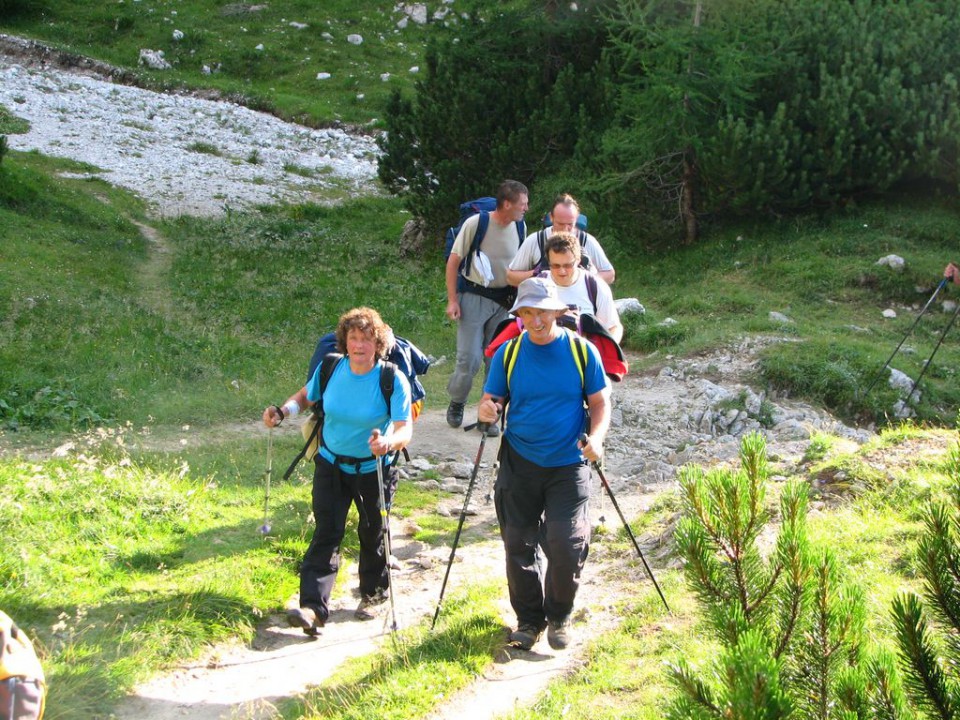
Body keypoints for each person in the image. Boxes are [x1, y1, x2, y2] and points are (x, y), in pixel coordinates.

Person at [477, 276, 611, 651]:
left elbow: (600, 403)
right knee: (517, 543)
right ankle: (529, 621)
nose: (537, 321)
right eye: (529, 313)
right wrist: (488, 408)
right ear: (519, 315)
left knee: (566, 544)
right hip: (519, 459)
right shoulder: (509, 353)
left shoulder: (582, 352)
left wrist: (597, 439)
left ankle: (559, 616)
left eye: (544, 313)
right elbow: (492, 401)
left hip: (569, 462)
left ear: (557, 311)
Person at [263, 307, 412, 634]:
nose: (359, 345)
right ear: (344, 341)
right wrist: (283, 411)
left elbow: (405, 429)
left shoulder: (391, 378)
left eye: (366, 339)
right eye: (353, 338)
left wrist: (387, 442)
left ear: (379, 343)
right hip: (331, 463)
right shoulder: (331, 367)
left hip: (374, 468)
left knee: (373, 531)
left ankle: (373, 595)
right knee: (327, 530)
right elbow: (305, 396)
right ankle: (313, 608)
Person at [445, 179, 529, 432]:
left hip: (505, 302)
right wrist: (453, 300)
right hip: (473, 298)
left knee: (497, 361)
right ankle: (457, 401)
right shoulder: (476, 224)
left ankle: (488, 415)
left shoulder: (521, 227)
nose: (526, 208)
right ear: (507, 204)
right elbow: (453, 263)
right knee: (468, 359)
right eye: (522, 204)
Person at [507, 193, 615, 287]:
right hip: (544, 305)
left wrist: (584, 278)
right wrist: (537, 274)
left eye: (570, 225)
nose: (565, 229)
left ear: (576, 219)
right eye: (560, 224)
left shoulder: (586, 241)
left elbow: (610, 275)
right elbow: (510, 277)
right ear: (551, 218)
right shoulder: (536, 240)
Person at [543, 232, 623, 343]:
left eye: (568, 265)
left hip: (585, 355)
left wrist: (600, 354)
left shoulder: (595, 285)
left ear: (578, 260)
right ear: (548, 262)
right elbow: (519, 325)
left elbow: (614, 327)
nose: (562, 271)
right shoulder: (536, 285)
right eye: (555, 266)